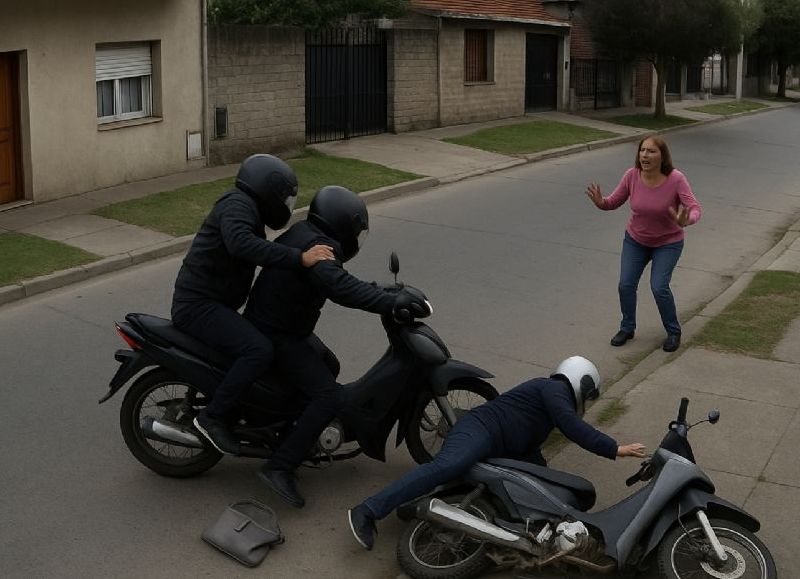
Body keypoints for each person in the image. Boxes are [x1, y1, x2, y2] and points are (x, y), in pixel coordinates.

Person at [243, 185, 427, 508]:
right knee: (327, 395)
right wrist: (388, 302)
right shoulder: (320, 248)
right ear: (343, 223)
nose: (355, 236)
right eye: (355, 229)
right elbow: (341, 288)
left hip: (281, 327)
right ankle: (279, 466)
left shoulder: (309, 233)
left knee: (329, 365)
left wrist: (387, 290)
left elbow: (339, 279)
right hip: (278, 334)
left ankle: (295, 429)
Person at [347, 356, 646, 551]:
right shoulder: (553, 390)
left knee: (541, 486)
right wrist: (614, 449)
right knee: (448, 466)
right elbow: (572, 426)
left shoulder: (550, 405)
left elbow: (532, 454)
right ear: (580, 382)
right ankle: (367, 510)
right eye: (589, 394)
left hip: (500, 444)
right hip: (479, 430)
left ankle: (418, 503)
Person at [172, 154, 334, 455]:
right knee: (257, 349)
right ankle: (211, 417)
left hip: (215, 304)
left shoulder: (247, 208)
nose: (284, 205)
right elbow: (241, 244)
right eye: (283, 198)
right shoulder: (236, 206)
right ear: (267, 189)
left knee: (261, 343)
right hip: (198, 305)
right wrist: (299, 258)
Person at [586, 135, 702, 353]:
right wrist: (601, 203)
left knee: (659, 287)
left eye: (651, 151)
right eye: (642, 151)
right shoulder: (632, 176)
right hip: (636, 240)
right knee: (625, 285)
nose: (645, 155)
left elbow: (694, 208)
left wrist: (687, 219)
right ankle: (627, 327)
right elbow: (612, 202)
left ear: (662, 156)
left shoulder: (676, 179)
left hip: (668, 243)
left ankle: (673, 331)